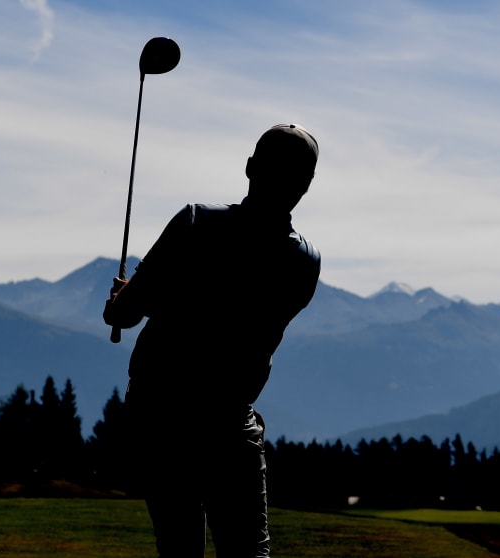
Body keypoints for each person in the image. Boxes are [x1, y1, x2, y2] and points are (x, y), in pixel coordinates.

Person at [103, 123, 322, 557]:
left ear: (250, 167)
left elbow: (124, 314)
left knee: (179, 546)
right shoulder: (305, 261)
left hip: (163, 419)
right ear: (305, 186)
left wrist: (122, 296)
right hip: (230, 423)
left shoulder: (195, 222)